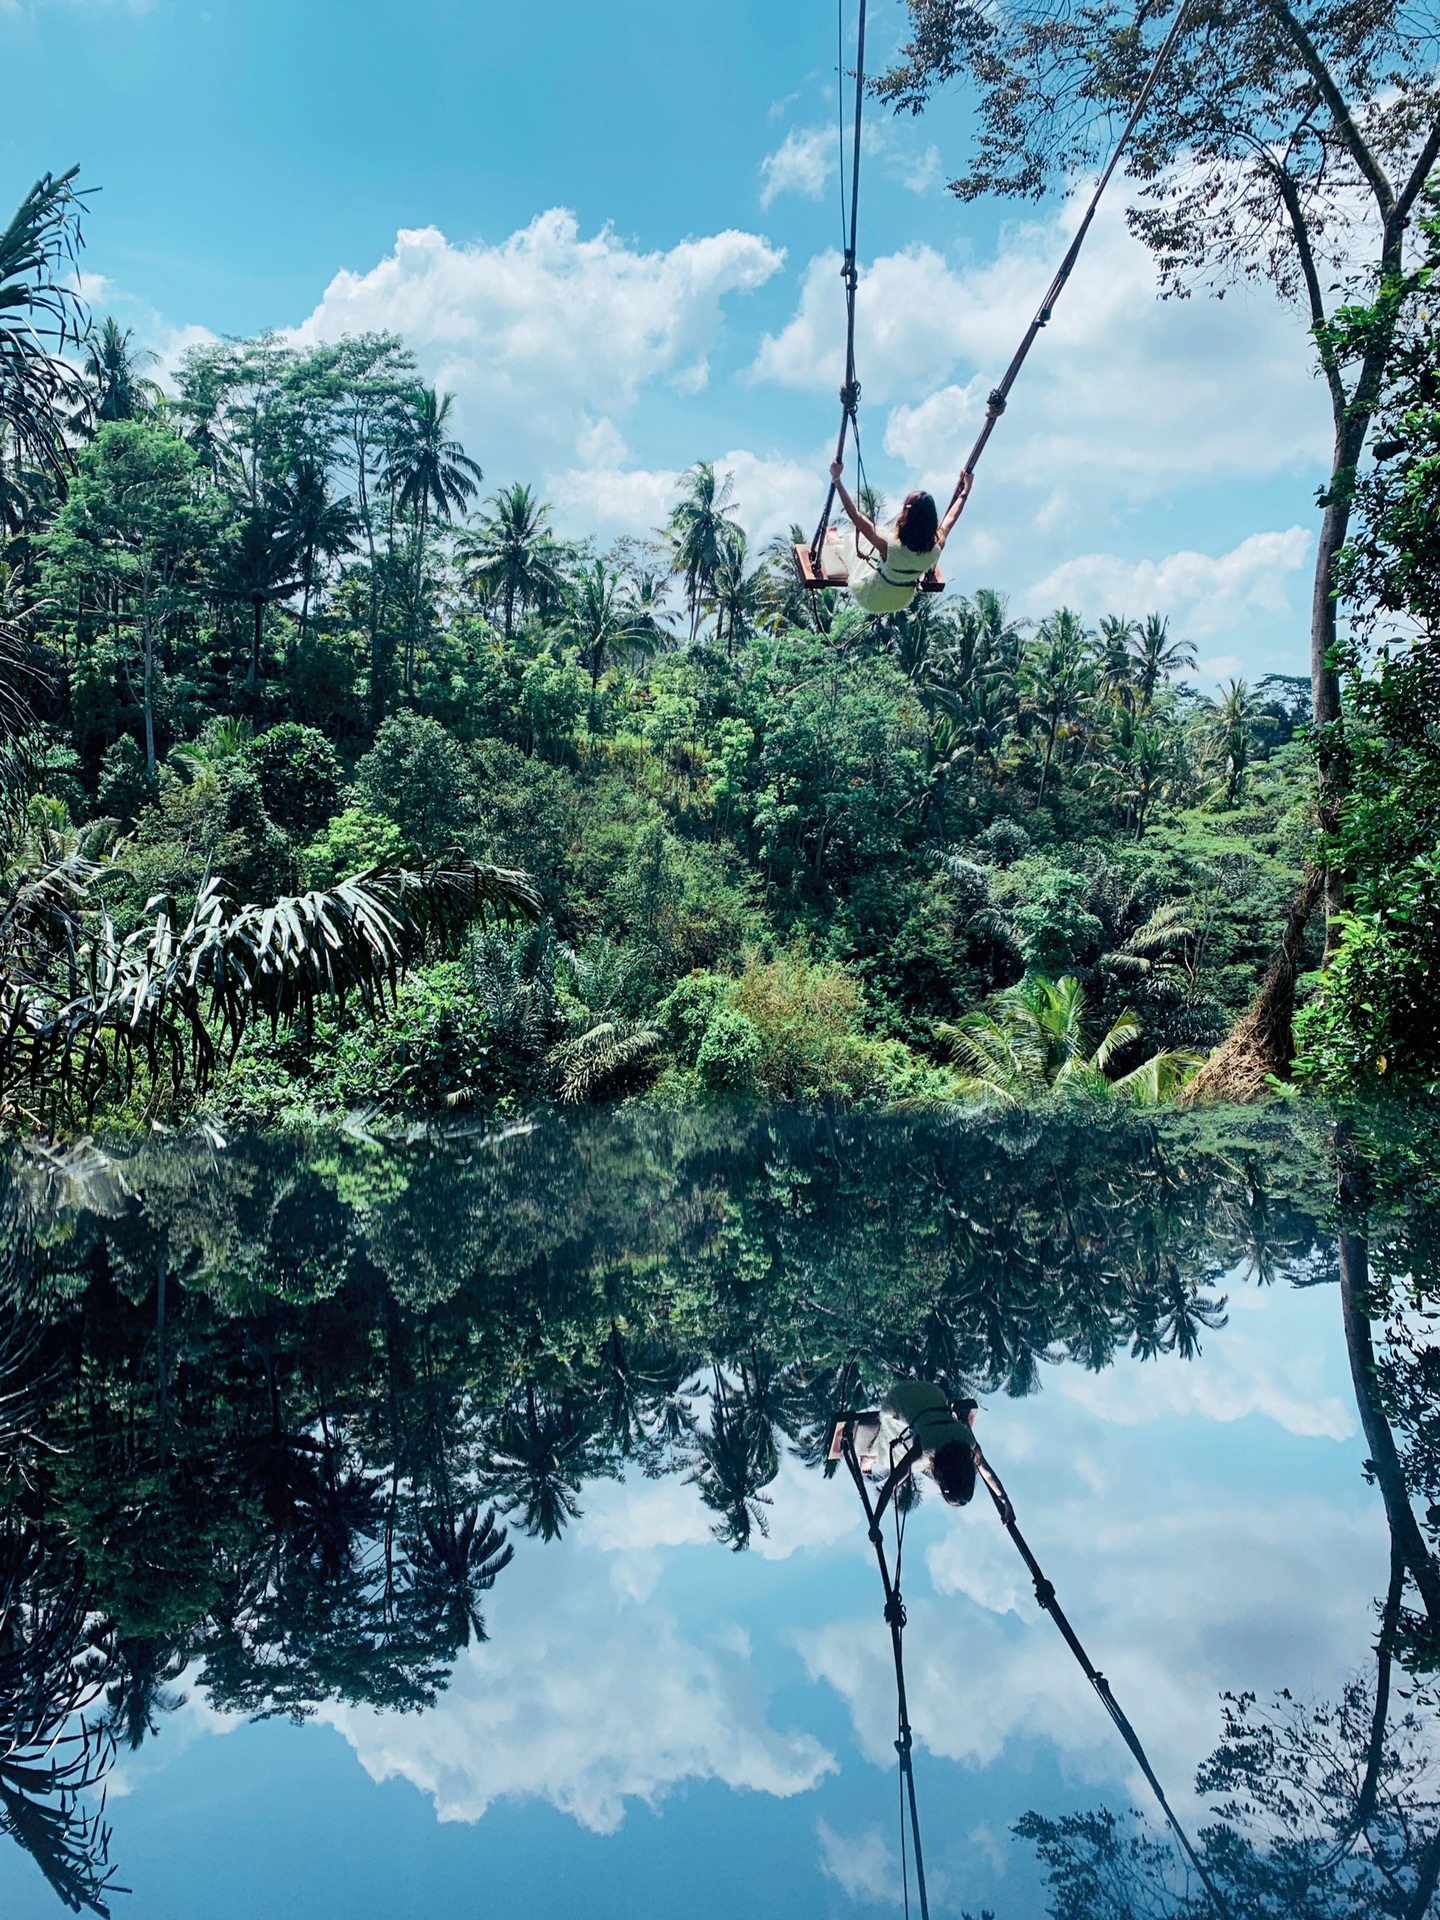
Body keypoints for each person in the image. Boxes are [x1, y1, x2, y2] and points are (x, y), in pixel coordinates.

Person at [821, 460, 972, 616]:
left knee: (864, 542)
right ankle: (838, 542)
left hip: (870, 597)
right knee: (876, 540)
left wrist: (836, 479)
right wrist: (966, 491)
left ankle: (836, 542)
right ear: (933, 518)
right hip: (900, 602)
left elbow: (855, 516)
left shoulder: (889, 546)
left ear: (906, 514)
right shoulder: (937, 545)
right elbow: (951, 518)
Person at [829, 1381, 979, 1507]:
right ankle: (870, 1454)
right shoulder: (925, 1449)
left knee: (920, 1458)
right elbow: (894, 1479)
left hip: (930, 1394)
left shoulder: (969, 1442)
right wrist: (875, 1523)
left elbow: (988, 1474)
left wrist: (1003, 1498)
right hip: (898, 1401)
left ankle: (873, 1453)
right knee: (894, 1457)